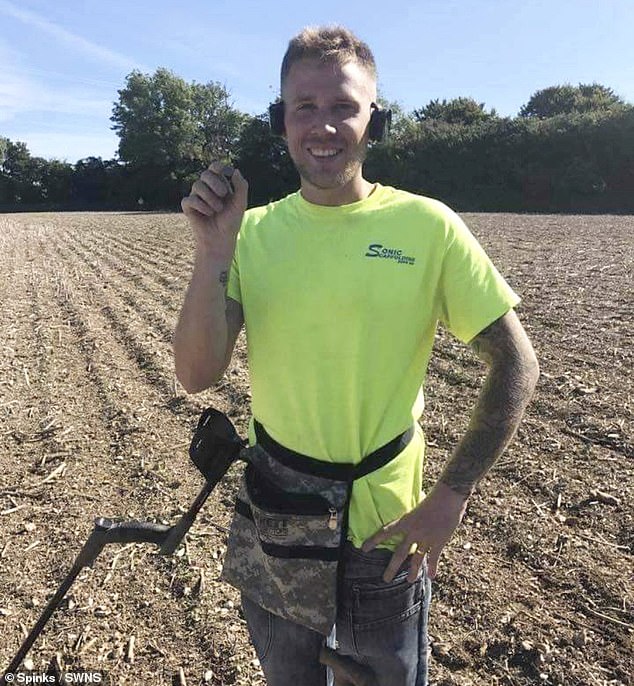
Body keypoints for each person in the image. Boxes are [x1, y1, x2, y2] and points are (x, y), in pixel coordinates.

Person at [174, 25, 539, 686]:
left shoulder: (426, 226)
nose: (323, 124)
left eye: (344, 105)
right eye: (304, 106)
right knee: (288, 677)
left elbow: (517, 363)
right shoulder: (250, 234)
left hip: (386, 532)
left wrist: (452, 494)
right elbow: (197, 374)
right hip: (276, 516)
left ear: (376, 119)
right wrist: (213, 252)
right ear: (281, 121)